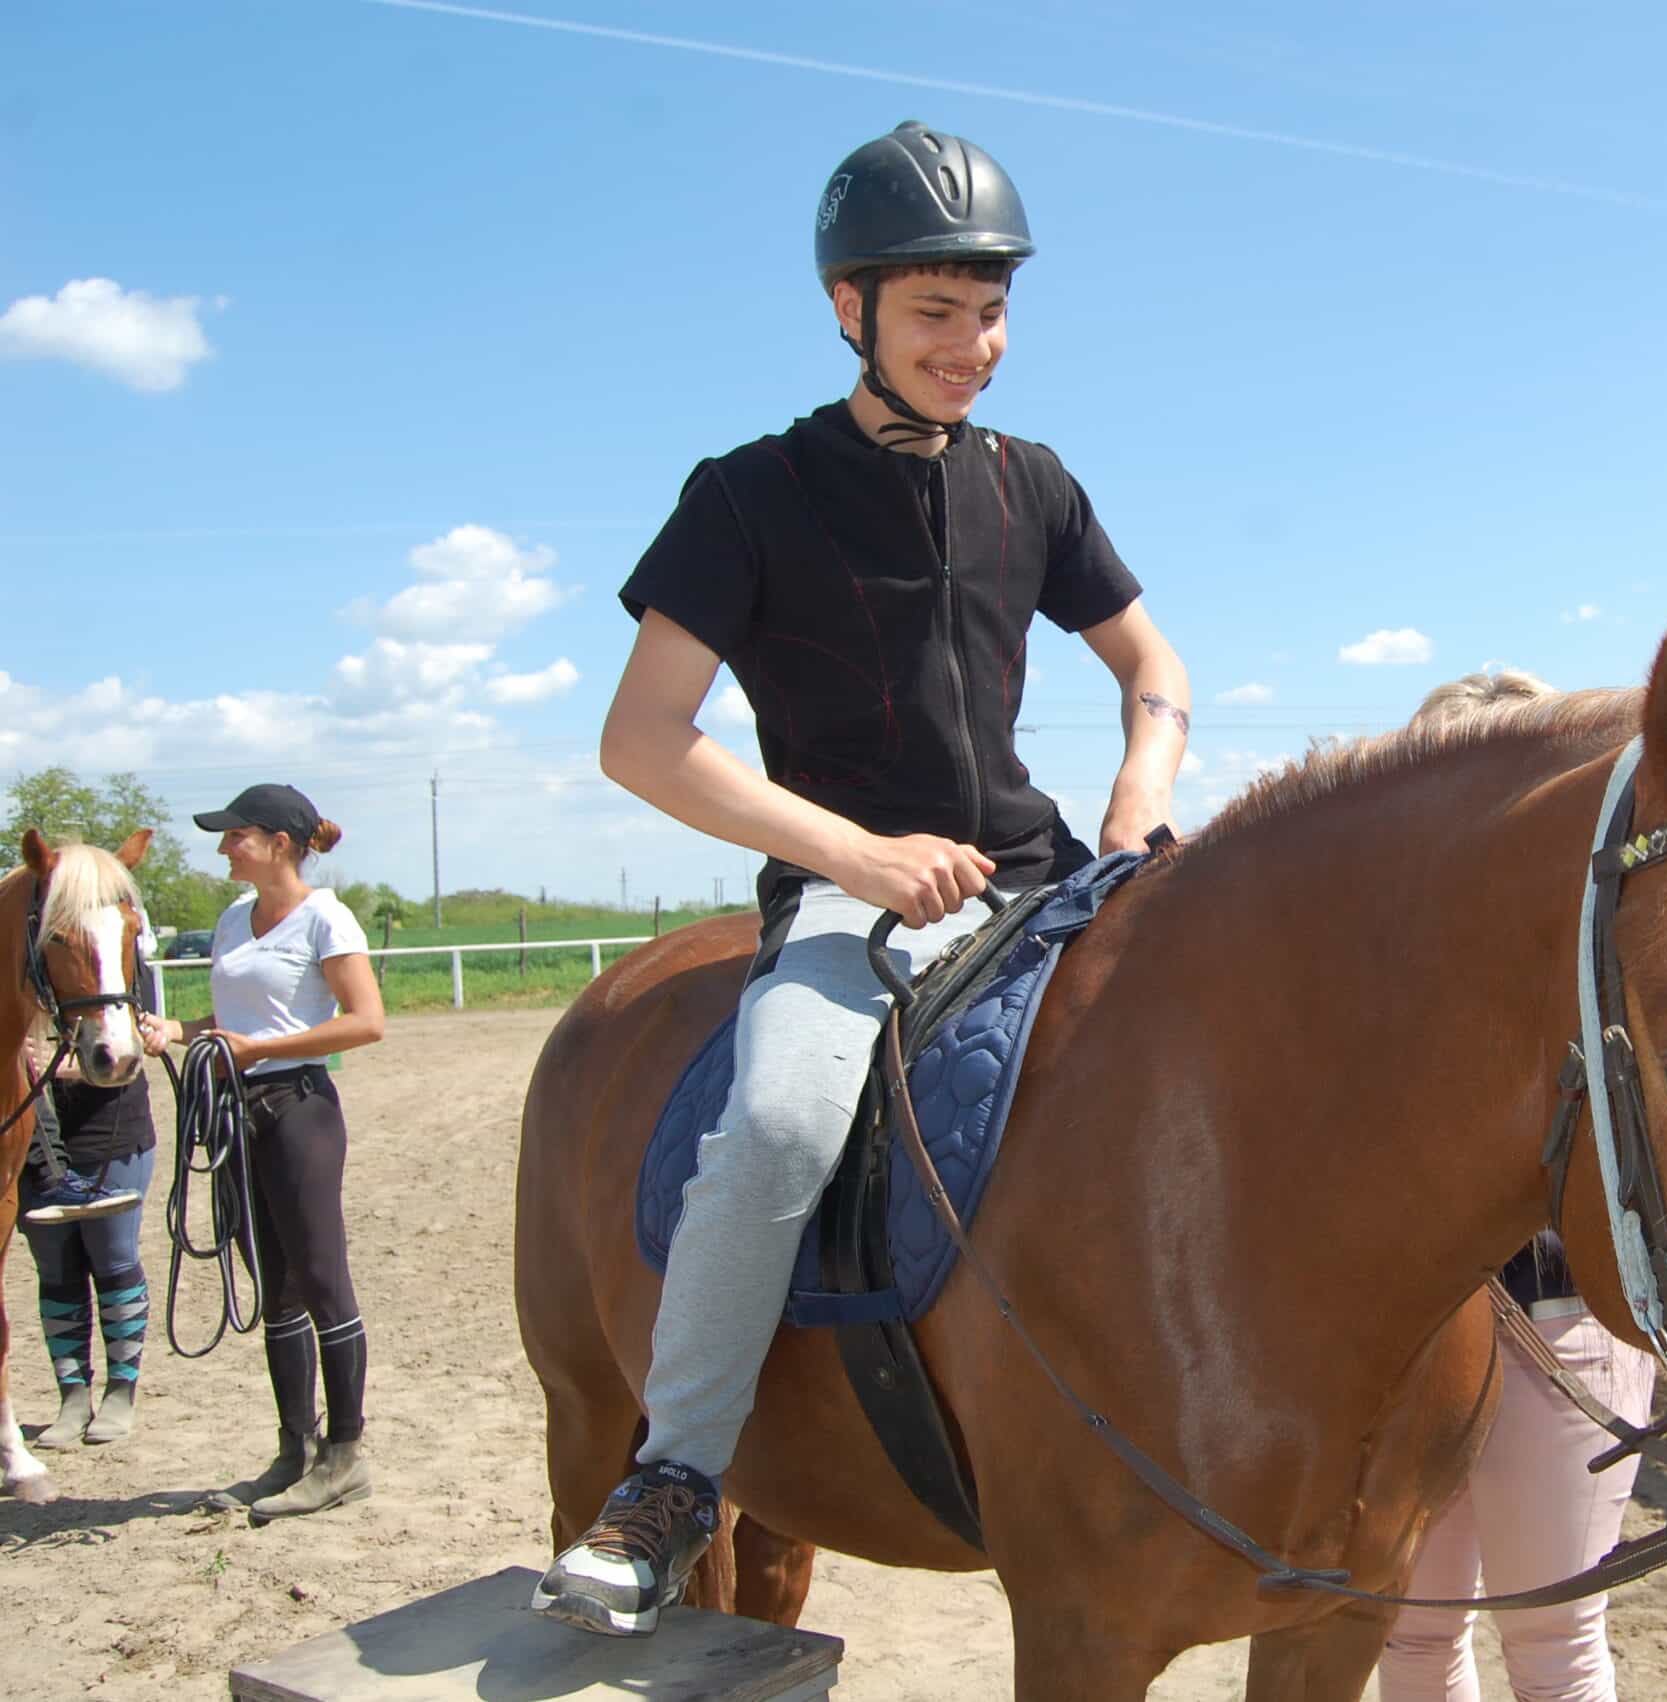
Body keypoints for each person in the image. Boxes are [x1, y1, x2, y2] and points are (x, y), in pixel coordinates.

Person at [533, 119, 1190, 1636]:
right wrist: (854, 852)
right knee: (775, 1122)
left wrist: (1141, 792)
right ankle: (676, 1476)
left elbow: (1152, 664)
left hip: (1043, 881)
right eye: (936, 312)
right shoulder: (748, 495)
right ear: (851, 309)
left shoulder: (1036, 485)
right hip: (849, 895)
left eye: (992, 312)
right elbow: (642, 739)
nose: (973, 346)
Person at [1373, 669, 1660, 1702]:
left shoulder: (1596, 958)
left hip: (1556, 1324)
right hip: (1405, 1347)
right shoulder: (1372, 972)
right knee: (1411, 1639)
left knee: (1552, 1646)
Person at [138, 783, 387, 1520]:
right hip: (235, 1111)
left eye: (235, 835)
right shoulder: (231, 919)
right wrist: (180, 1031)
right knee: (273, 1282)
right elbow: (237, 1014)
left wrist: (260, 1050)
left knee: (321, 1277)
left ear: (280, 844)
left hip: (299, 1108)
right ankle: (294, 1449)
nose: (224, 847)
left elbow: (366, 1021)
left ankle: (345, 1454)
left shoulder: (325, 917)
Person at [17, 1024, 155, 1446]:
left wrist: (58, 1064)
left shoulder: (110, 980)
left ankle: (120, 1392)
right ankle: (73, 1397)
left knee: (113, 1259)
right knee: (55, 1268)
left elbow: (134, 1048)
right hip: (30, 1139)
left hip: (106, 1127)